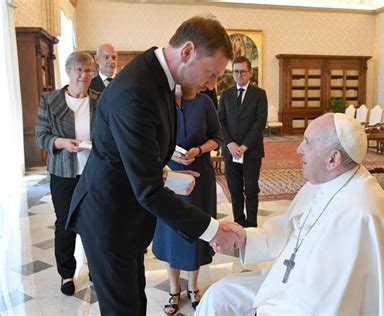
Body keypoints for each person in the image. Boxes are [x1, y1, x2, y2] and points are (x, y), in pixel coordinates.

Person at [65, 16, 239, 315]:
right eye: (211, 73)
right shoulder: (137, 89)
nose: (212, 85)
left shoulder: (159, 80)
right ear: (186, 52)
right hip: (109, 219)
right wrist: (212, 230)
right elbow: (147, 190)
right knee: (124, 310)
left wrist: (167, 174)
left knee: (136, 304)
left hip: (127, 217)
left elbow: (134, 156)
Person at [197, 113, 384, 315]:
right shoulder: (326, 180)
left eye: (308, 143)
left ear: (333, 159)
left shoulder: (361, 213)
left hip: (310, 302)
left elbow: (329, 298)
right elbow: (290, 230)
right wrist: (245, 237)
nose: (298, 149)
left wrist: (263, 313)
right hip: (291, 281)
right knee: (219, 296)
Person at [152, 85, 223, 315]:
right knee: (170, 229)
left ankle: (193, 287)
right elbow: (150, 138)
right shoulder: (161, 101)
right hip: (167, 172)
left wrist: (199, 150)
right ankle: (174, 289)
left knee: (196, 228)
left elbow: (217, 138)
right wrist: (168, 152)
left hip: (199, 173)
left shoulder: (204, 103)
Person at [35, 51, 98, 296]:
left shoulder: (99, 100)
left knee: (94, 223)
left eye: (89, 70)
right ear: (69, 71)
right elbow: (40, 135)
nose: (84, 75)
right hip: (63, 173)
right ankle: (66, 274)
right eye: (79, 70)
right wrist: (61, 142)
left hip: (93, 173)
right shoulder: (50, 100)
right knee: (65, 224)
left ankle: (95, 266)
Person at [218, 56, 268, 227]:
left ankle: (252, 225)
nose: (239, 75)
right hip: (230, 151)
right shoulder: (225, 94)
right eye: (236, 71)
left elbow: (260, 122)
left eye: (242, 71)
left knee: (252, 189)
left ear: (250, 73)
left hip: (252, 151)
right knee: (235, 190)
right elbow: (220, 121)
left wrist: (245, 146)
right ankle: (239, 222)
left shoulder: (259, 94)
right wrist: (230, 143)